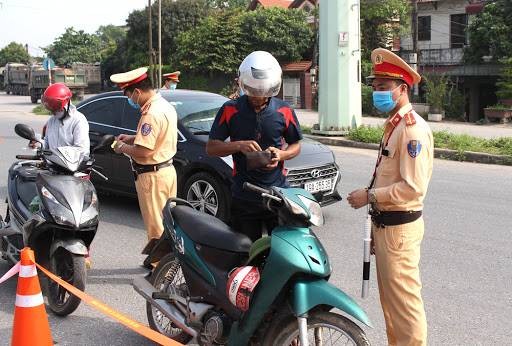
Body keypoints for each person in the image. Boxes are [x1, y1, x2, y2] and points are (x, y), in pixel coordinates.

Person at [347, 48, 434, 346]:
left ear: (402, 89)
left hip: (399, 230)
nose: (377, 92)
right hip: (387, 229)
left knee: (406, 310)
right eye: (375, 86)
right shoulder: (394, 125)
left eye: (383, 87)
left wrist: (368, 196)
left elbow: (412, 189)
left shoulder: (412, 132)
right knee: (392, 309)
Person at [206, 51, 302, 242]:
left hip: (277, 195)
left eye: (263, 94)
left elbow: (296, 144)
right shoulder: (229, 109)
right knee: (245, 252)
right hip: (244, 196)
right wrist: (238, 145)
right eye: (253, 93)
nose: (258, 97)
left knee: (281, 250)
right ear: (243, 85)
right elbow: (211, 148)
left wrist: (281, 155)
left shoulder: (284, 110)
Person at [110, 67, 178, 243]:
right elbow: (158, 138)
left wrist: (122, 147)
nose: (129, 100)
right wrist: (133, 138)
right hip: (167, 171)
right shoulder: (164, 105)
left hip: (152, 177)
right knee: (168, 221)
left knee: (156, 224)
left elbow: (145, 151)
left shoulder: (151, 114)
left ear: (137, 92)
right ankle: (163, 260)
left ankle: (161, 266)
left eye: (129, 95)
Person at [30, 83, 90, 156]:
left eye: (57, 109)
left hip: (70, 165)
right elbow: (47, 144)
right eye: (52, 110)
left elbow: (82, 149)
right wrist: (38, 143)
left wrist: (60, 153)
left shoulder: (78, 120)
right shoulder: (52, 121)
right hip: (52, 164)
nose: (54, 113)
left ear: (67, 104)